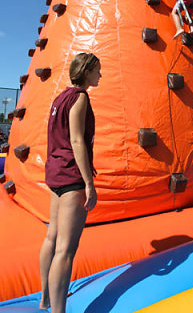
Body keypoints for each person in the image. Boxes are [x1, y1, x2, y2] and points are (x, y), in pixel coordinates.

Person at [39, 53, 101, 312]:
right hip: (71, 175)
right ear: (86, 71)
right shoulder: (80, 97)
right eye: (97, 70)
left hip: (55, 172)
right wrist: (89, 183)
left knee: (52, 237)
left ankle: (44, 300)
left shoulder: (60, 97)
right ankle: (58, 310)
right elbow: (76, 141)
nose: (100, 75)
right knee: (66, 249)